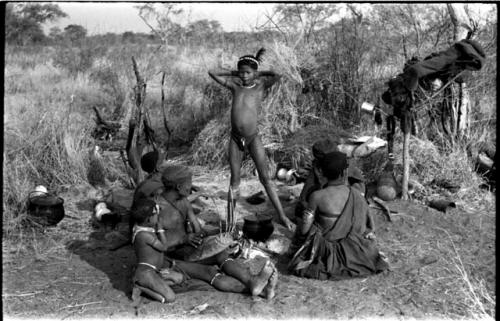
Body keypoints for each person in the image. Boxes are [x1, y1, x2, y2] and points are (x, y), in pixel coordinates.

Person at [156, 165, 279, 299]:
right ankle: (259, 290)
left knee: (222, 254)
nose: (191, 187)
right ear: (179, 187)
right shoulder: (156, 209)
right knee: (209, 272)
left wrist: (220, 230)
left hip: (189, 250)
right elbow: (150, 243)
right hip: (169, 257)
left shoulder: (184, 202)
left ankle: (253, 282)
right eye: (189, 183)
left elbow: (199, 232)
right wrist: (183, 239)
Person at [208, 48, 294, 231]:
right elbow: (212, 72)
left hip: (253, 138)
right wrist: (235, 72)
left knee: (266, 179)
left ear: (254, 73)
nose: (244, 76)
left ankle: (282, 216)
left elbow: (278, 74)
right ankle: (231, 223)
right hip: (235, 138)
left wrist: (258, 73)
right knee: (234, 180)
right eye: (242, 72)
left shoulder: (260, 86)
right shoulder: (235, 86)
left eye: (248, 73)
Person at [288, 151, 389, 280]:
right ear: (345, 173)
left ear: (322, 172)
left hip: (325, 252)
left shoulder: (317, 196)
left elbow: (304, 228)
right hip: (354, 249)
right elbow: (365, 227)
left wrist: (298, 245)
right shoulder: (357, 195)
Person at [130, 198, 183, 303]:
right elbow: (164, 247)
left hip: (154, 271)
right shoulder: (144, 235)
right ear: (149, 220)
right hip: (146, 273)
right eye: (156, 215)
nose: (158, 217)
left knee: (179, 278)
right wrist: (160, 229)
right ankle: (139, 286)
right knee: (170, 297)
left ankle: (152, 283)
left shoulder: (143, 228)